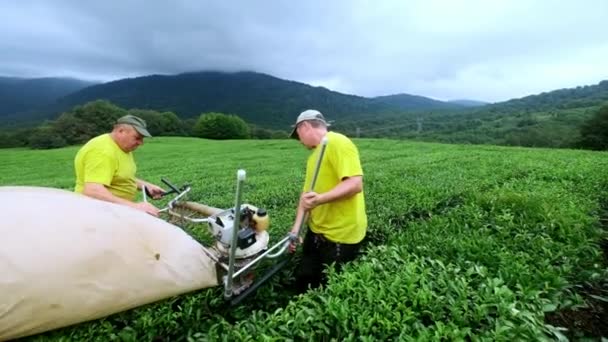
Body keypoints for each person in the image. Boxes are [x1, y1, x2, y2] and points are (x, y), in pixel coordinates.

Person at [288, 109, 367, 293]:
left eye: (298, 134)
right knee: (304, 282)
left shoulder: (337, 142)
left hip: (340, 236)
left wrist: (320, 199)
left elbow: (355, 184)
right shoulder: (313, 158)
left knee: (330, 290)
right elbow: (306, 197)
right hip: (316, 232)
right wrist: (296, 229)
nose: (299, 141)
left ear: (305, 126)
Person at [73, 114, 165, 217]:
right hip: (98, 212)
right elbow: (92, 190)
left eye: (142, 139)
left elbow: (119, 176)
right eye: (137, 138)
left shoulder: (122, 147)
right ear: (121, 131)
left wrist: (146, 186)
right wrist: (135, 206)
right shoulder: (102, 152)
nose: (140, 143)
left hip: (114, 208)